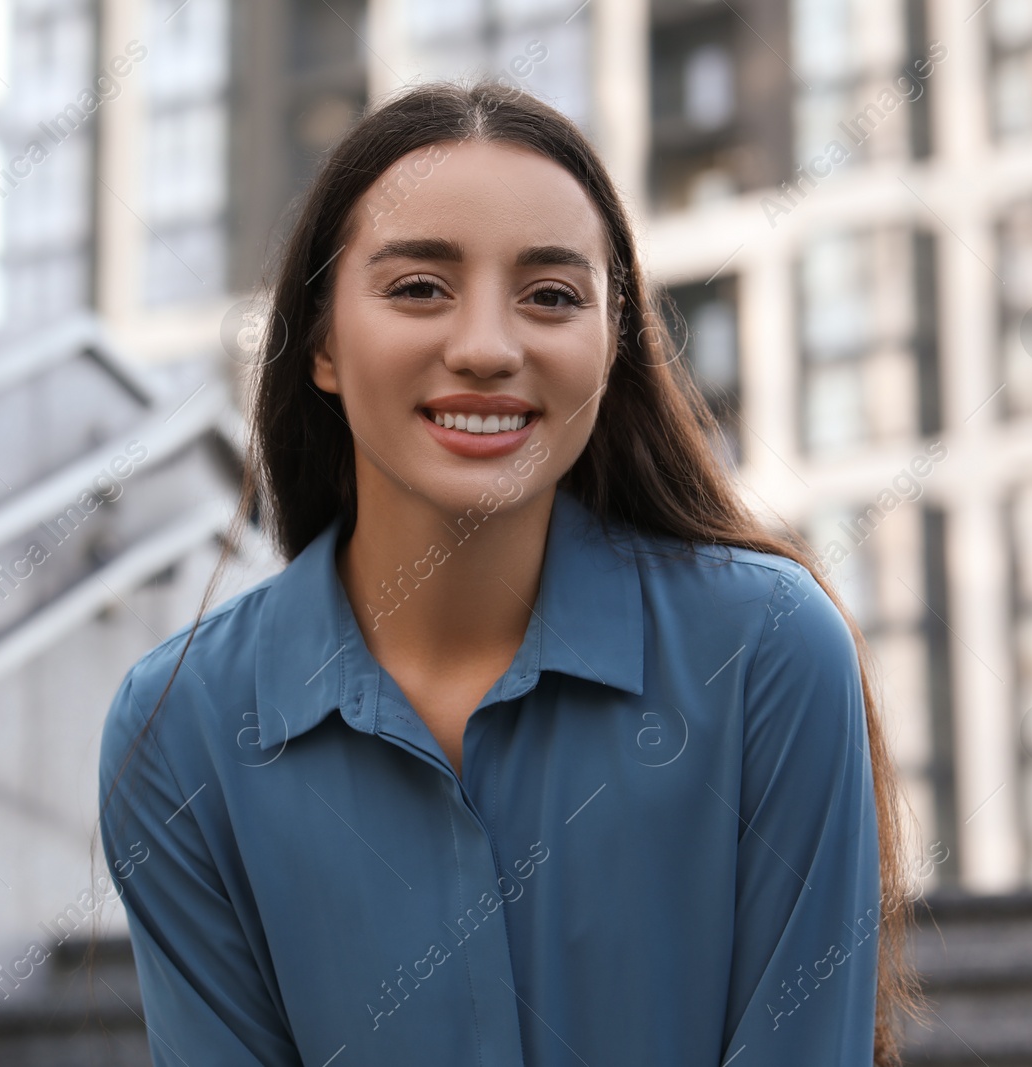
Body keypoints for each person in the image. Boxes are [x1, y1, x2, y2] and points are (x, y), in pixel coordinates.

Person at [98, 81, 919, 1066]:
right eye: (418, 288)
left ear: (612, 342)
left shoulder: (768, 652)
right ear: (320, 340)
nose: (487, 347)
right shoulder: (178, 729)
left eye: (551, 296)